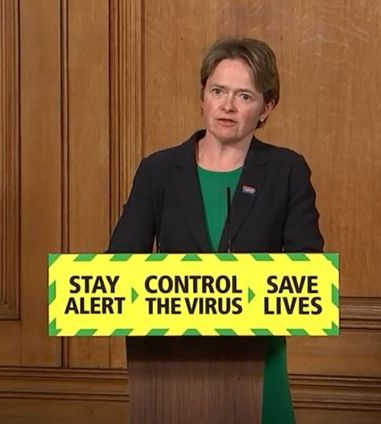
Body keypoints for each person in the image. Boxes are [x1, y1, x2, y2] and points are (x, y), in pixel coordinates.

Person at [109, 37, 324, 424]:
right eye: (218, 91)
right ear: (203, 96)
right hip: (171, 367)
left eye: (244, 96)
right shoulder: (158, 171)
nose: (227, 106)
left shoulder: (286, 171)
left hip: (258, 363)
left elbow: (307, 271)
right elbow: (118, 265)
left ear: (266, 107)